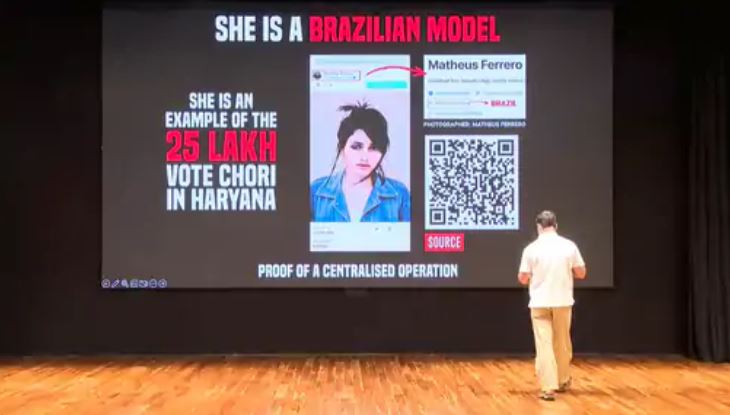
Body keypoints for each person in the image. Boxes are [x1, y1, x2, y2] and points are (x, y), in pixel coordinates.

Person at [518, 210, 587, 401]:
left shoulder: (531, 249)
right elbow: (581, 273)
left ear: (538, 227)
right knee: (562, 342)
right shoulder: (569, 246)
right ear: (556, 225)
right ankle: (563, 380)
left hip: (539, 302)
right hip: (562, 301)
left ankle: (548, 387)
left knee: (544, 344)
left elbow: (523, 278)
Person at [311, 102, 410, 222]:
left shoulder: (399, 194)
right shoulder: (316, 192)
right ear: (342, 148)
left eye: (373, 148)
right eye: (356, 147)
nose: (364, 157)